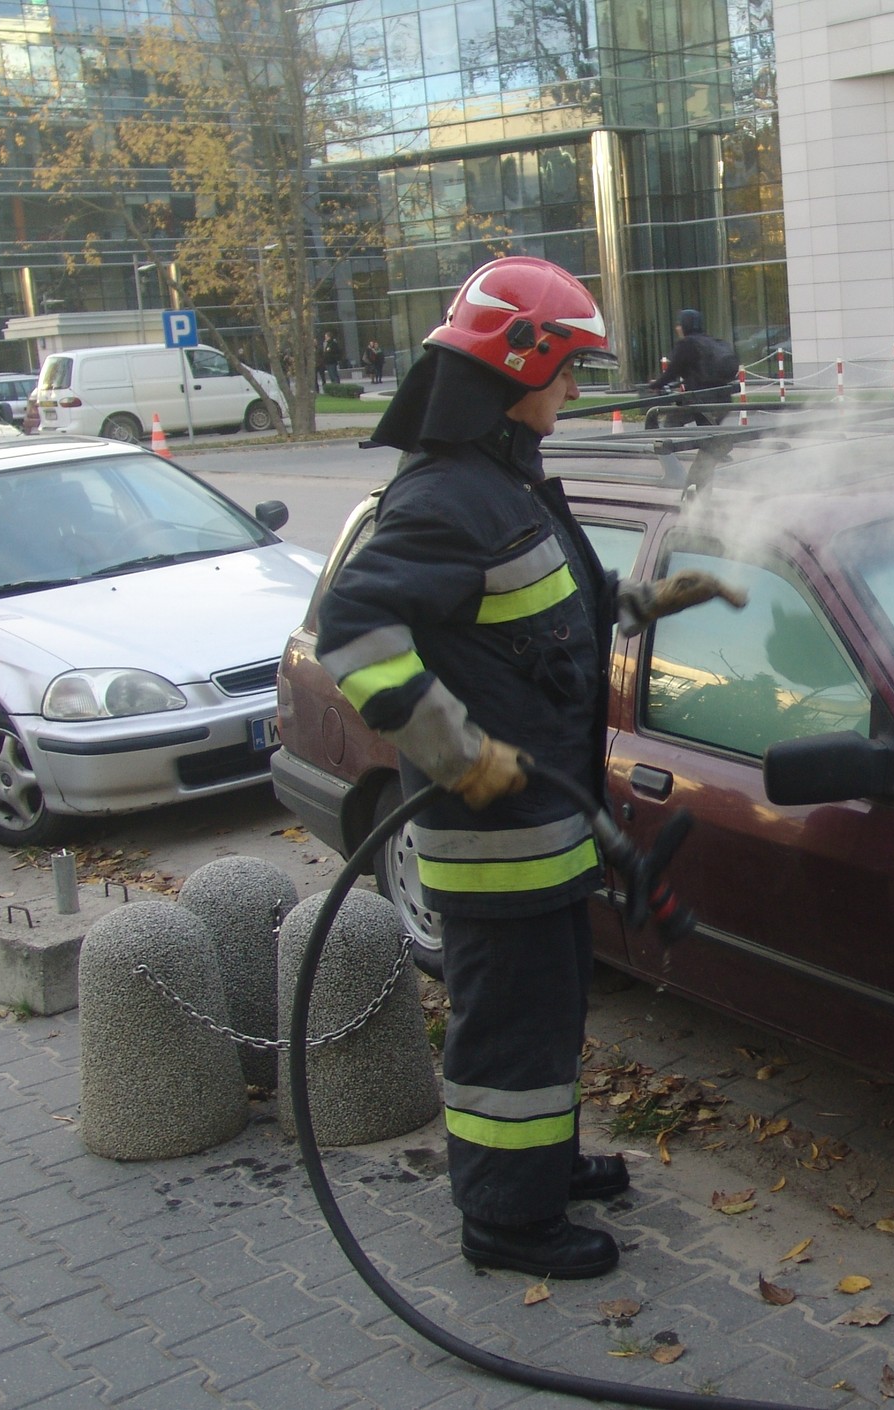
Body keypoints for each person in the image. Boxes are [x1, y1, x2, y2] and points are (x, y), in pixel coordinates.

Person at [313, 257, 746, 1281]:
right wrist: (456, 752)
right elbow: (352, 630)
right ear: (518, 364)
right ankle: (505, 1223)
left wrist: (656, 600)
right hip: (494, 845)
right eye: (567, 370)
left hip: (549, 835)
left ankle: (539, 1168)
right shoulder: (442, 499)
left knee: (546, 1025)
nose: (575, 390)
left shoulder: (505, 481)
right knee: (505, 1041)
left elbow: (550, 625)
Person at [644, 307, 738, 427]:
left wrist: (655, 385)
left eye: (679, 324)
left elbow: (672, 372)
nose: (677, 328)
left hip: (700, 399)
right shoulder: (712, 341)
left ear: (685, 325)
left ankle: (671, 446)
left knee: (672, 423)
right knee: (708, 433)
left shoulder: (687, 344)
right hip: (723, 398)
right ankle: (717, 445)